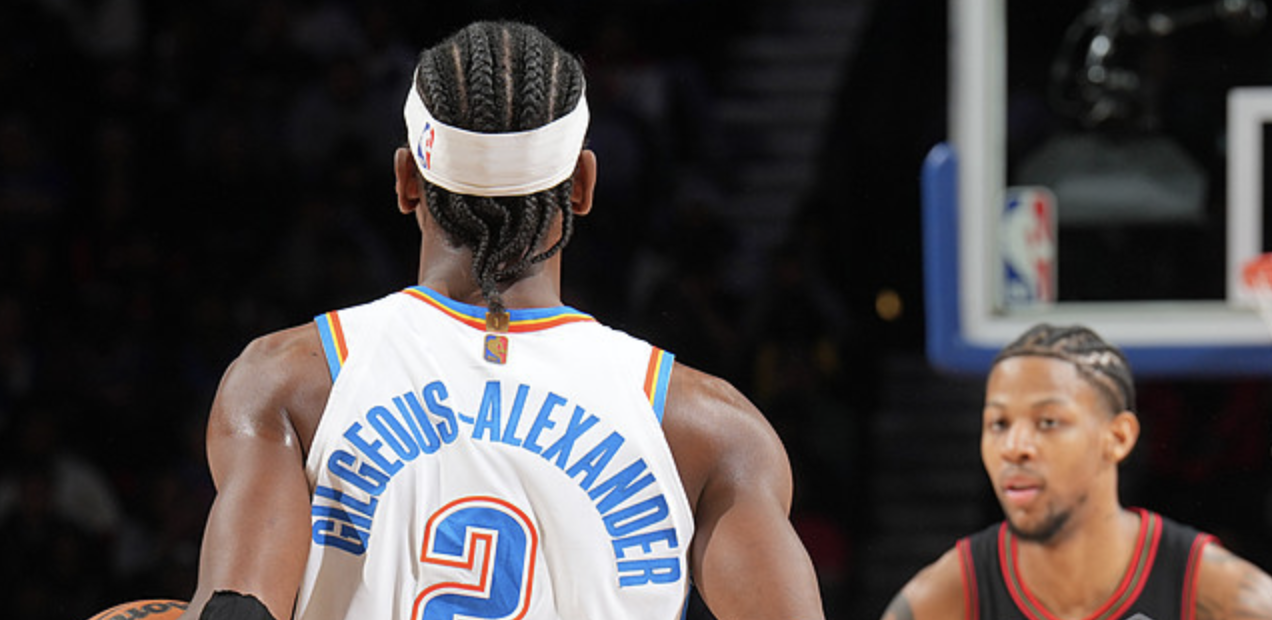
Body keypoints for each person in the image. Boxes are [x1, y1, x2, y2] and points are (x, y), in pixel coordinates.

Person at [177, 20, 825, 620]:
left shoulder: (288, 382)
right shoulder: (710, 430)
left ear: (406, 180)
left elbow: (236, 609)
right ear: (582, 185)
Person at [881, 323, 1272, 620]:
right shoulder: (945, 598)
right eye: (999, 424)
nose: (1014, 447)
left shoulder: (1220, 594)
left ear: (1118, 437)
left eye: (1048, 422)